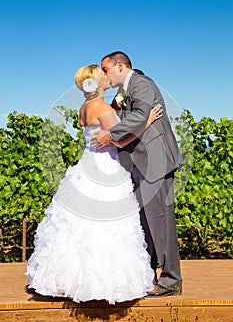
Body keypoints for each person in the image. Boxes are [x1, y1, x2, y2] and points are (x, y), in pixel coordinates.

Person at [26, 64, 163, 305]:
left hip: (86, 164)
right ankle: (104, 284)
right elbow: (120, 140)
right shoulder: (101, 107)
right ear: (98, 84)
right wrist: (148, 121)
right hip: (105, 166)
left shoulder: (84, 108)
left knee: (76, 225)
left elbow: (99, 125)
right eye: (103, 78)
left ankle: (65, 281)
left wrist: (117, 105)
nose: (107, 79)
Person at [91, 51, 184, 297]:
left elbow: (140, 117)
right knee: (146, 222)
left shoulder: (142, 84)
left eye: (106, 68)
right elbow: (132, 121)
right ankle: (150, 274)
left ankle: (171, 281)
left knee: (160, 221)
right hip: (140, 163)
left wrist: (110, 136)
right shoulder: (123, 93)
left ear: (119, 66)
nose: (104, 74)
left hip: (156, 162)